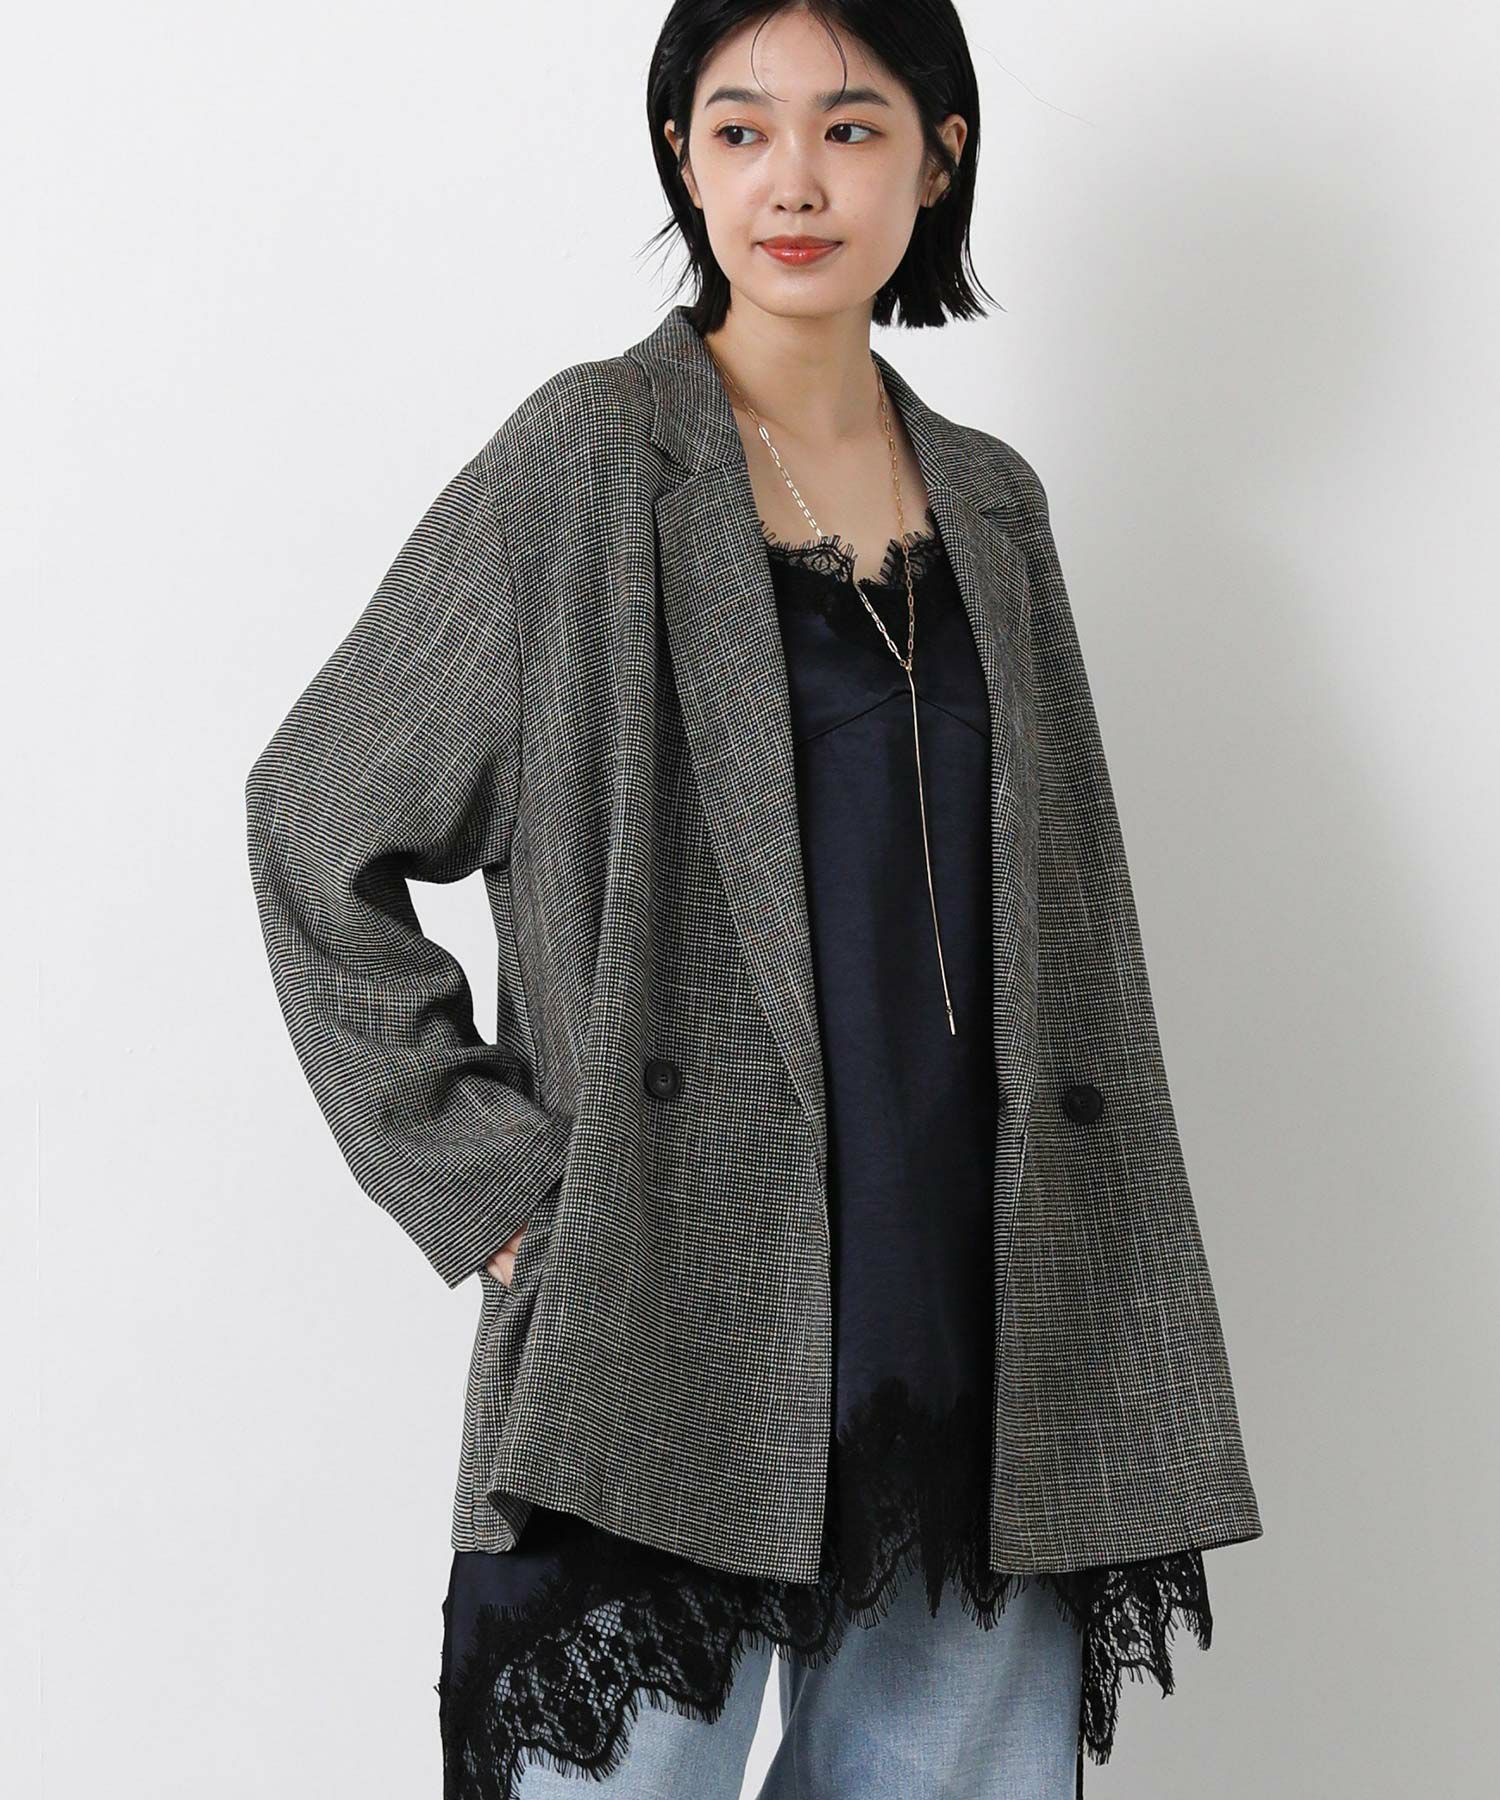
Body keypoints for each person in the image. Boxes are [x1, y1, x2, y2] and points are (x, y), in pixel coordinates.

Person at [244, 4, 1263, 1797]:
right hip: (675, 1286)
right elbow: (313, 815)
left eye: (851, 128)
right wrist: (495, 1188)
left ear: (939, 158)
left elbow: (1068, 931)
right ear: (684, 159)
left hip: (971, 1305)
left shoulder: (993, 505)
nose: (794, 180)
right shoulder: (586, 461)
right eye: (740, 129)